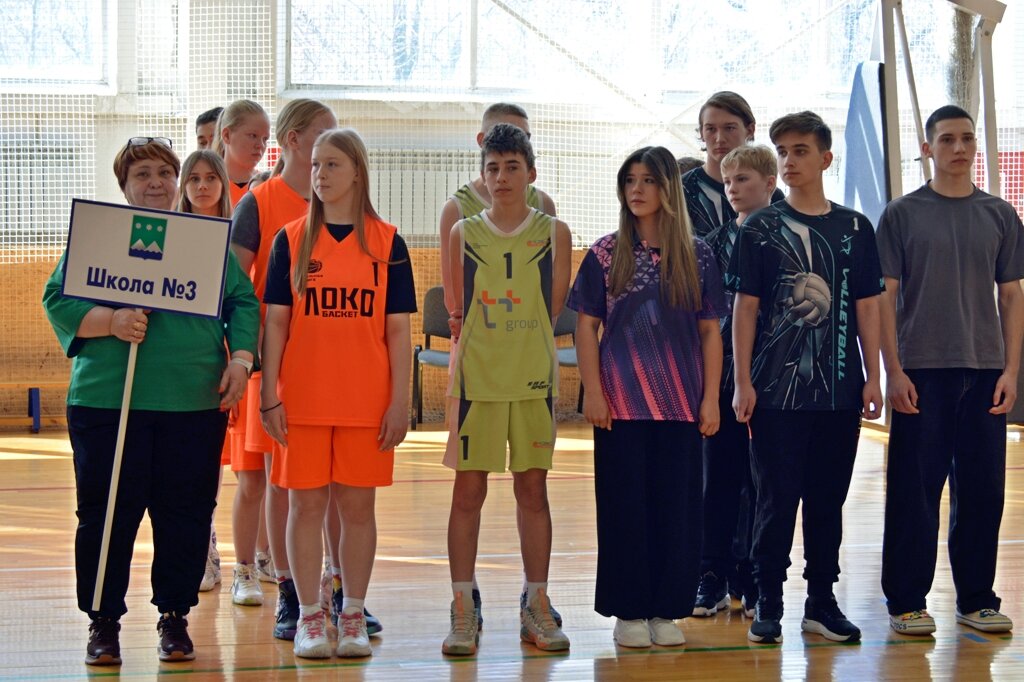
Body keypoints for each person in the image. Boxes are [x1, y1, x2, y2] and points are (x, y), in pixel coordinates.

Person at [42, 137, 259, 665]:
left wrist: (240, 359)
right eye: (142, 174)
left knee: (185, 514)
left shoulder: (203, 242)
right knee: (105, 516)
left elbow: (242, 301)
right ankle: (103, 622)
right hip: (107, 402)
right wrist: (110, 321)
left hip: (191, 402)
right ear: (125, 186)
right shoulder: (99, 237)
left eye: (164, 172)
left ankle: (175, 616)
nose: (156, 183)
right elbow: (57, 298)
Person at [259, 128, 415, 659]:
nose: (320, 174)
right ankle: (309, 614)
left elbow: (399, 331)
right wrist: (269, 394)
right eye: (316, 165)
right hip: (302, 398)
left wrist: (399, 401)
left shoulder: (388, 243)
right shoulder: (291, 239)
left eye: (332, 165)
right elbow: (275, 324)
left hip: (366, 400)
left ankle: (352, 613)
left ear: (357, 172)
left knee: (357, 509)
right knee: (305, 506)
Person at [729, 111, 883, 645]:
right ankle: (768, 600)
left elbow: (868, 306)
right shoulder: (760, 228)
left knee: (827, 500)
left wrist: (873, 375)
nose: (790, 161)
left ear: (825, 158)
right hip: (775, 394)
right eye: (783, 152)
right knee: (775, 500)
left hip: (840, 393)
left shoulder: (855, 229)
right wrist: (742, 380)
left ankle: (821, 601)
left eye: (800, 150)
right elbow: (745, 309)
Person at [570, 145, 726, 648]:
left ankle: (666, 608)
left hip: (681, 405)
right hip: (620, 405)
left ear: (668, 188)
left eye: (648, 180)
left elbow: (710, 332)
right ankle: (629, 610)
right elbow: (586, 328)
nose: (636, 189)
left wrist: (710, 399)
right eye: (629, 180)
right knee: (624, 508)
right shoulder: (604, 253)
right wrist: (593, 392)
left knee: (676, 510)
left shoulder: (699, 255)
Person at [878, 105, 1024, 636]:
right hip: (921, 371)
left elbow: (1012, 296)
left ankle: (977, 599)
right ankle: (907, 602)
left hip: (986, 372)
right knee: (914, 492)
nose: (959, 148)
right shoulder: (901, 214)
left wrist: (1011, 370)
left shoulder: (1000, 215)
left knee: (984, 491)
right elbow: (885, 298)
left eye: (967, 139)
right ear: (928, 147)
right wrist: (893, 371)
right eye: (947, 140)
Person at [441, 123, 572, 656]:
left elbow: (555, 307)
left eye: (512, 167)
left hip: (533, 379)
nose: (501, 177)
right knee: (468, 493)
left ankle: (536, 601)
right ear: (482, 175)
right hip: (478, 380)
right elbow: (456, 308)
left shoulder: (554, 232)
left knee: (532, 491)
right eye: (492, 168)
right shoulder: (463, 233)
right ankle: (463, 605)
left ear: (531, 174)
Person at [230, 98, 346, 641]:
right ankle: (290, 593)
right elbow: (234, 287)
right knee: (281, 481)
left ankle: (339, 590)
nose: (332, 141)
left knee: (336, 485)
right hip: (274, 366)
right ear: (295, 140)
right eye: (323, 132)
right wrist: (244, 355)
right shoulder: (258, 203)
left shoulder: (341, 202)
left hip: (331, 366)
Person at [693, 144, 778, 619]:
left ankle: (755, 578)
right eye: (727, 181)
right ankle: (711, 574)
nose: (733, 188)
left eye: (743, 179)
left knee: (762, 485)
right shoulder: (712, 244)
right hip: (722, 378)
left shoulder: (787, 236)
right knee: (719, 480)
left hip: (776, 380)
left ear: (769, 183)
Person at [683, 91, 784, 238]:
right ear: (702, 133)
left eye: (729, 128)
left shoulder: (769, 194)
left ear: (750, 130)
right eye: (710, 129)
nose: (719, 138)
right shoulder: (683, 190)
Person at [214, 99, 270, 207]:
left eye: (265, 139)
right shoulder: (204, 187)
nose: (260, 145)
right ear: (227, 135)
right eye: (253, 136)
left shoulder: (268, 186)